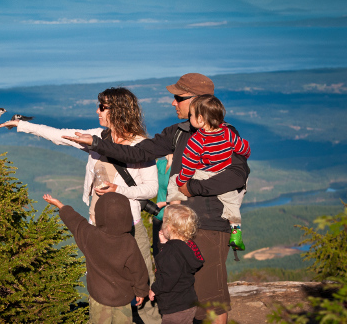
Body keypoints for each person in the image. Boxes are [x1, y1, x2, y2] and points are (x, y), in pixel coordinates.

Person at [64, 73, 250, 323]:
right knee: (178, 293)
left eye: (178, 97)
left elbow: (237, 175)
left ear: (198, 101)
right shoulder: (177, 132)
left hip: (208, 224)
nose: (173, 103)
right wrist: (98, 144)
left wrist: (190, 188)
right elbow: (138, 152)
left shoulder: (225, 134)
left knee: (210, 297)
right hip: (174, 224)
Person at [0, 87, 161, 324]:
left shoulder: (141, 145)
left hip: (130, 230)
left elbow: (151, 189)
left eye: (102, 107)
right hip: (96, 227)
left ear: (118, 111)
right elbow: (60, 135)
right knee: (106, 288)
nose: (97, 110)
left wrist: (119, 190)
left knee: (143, 294)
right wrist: (21, 126)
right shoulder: (97, 137)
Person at [43, 192, 149, 324]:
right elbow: (139, 270)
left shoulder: (90, 236)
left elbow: (75, 221)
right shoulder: (129, 242)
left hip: (99, 298)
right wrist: (141, 291)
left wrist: (59, 204)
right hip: (123, 298)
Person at [166, 94, 250, 251]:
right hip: (223, 174)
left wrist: (182, 181)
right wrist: (246, 153)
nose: (189, 118)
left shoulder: (196, 140)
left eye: (191, 115)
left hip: (203, 172)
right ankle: (236, 232)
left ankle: (173, 213)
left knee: (174, 181)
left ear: (200, 120)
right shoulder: (228, 133)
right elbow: (243, 148)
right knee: (231, 206)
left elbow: (189, 165)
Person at [149, 204, 204, 324]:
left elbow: (168, 277)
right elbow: (175, 264)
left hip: (174, 306)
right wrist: (163, 244)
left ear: (168, 228)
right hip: (187, 302)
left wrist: (154, 289)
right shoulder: (187, 246)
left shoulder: (170, 252)